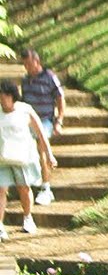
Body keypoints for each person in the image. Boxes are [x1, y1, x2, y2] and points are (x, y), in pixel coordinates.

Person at [0, 78, 55, 238]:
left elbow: (41, 134)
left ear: (12, 96)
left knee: (23, 188)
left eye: (5, 96)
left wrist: (49, 155)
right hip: (2, 158)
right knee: (1, 189)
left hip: (21, 157)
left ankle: (27, 217)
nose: (2, 100)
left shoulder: (25, 110)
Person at [19, 48, 64, 206]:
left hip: (45, 120)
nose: (27, 68)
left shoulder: (49, 77)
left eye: (29, 64)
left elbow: (60, 98)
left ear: (36, 62)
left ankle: (46, 187)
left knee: (41, 146)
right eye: (24, 65)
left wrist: (59, 120)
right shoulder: (25, 80)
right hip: (28, 121)